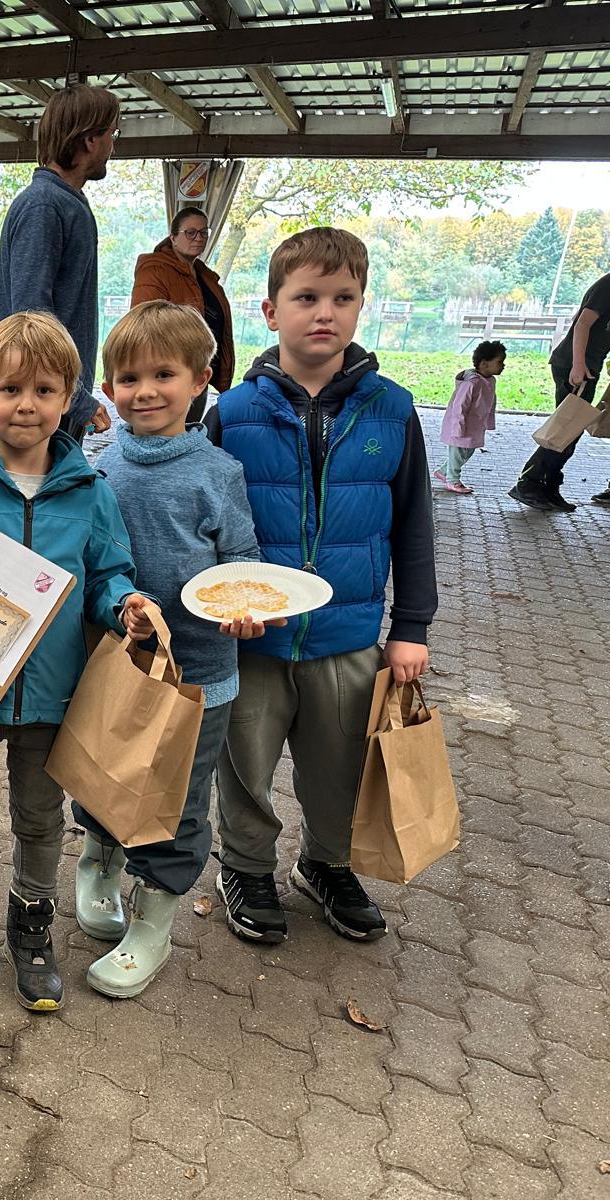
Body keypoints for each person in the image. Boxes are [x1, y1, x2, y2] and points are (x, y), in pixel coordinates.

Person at [0, 311, 152, 1012]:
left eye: (45, 390)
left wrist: (125, 605)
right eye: (10, 388)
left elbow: (108, 575)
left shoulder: (91, 493)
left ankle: (32, 934)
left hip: (52, 696)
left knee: (41, 820)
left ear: (70, 397)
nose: (26, 405)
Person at [203, 227, 437, 946]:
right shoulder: (231, 414)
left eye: (343, 297)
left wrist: (411, 627)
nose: (324, 312)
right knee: (244, 765)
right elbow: (204, 527)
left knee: (340, 768)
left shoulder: (392, 410)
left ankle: (327, 863)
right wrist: (216, 606)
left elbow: (414, 523)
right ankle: (246, 867)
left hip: (348, 636)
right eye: (306, 297)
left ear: (362, 306)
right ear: (272, 310)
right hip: (254, 640)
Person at [77, 301, 268, 999]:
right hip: (116, 664)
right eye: (128, 378)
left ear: (199, 381)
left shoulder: (218, 473)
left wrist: (245, 613)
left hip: (200, 676)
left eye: (164, 375)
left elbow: (242, 564)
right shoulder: (100, 468)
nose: (146, 391)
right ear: (108, 389)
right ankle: (98, 861)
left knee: (180, 802)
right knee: (104, 773)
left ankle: (153, 920)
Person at [0, 83, 120, 442]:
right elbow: (30, 320)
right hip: (42, 401)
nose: (113, 146)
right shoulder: (44, 206)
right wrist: (75, 399)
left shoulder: (64, 202)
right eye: (112, 135)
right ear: (90, 139)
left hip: (56, 398)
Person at [511, 271, 610, 511]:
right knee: (566, 428)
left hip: (589, 367)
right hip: (575, 366)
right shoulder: (608, 286)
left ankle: (549, 485)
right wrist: (578, 364)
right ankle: (530, 483)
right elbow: (582, 323)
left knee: (571, 430)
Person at [130, 206, 236, 423]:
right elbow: (144, 325)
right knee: (162, 434)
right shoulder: (154, 269)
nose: (198, 238)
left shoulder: (204, 275)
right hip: (167, 376)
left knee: (187, 433)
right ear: (173, 238)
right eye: (190, 233)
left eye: (203, 232)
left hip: (197, 371)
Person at [436, 340, 505, 495]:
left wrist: (489, 422)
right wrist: (457, 428)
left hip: (474, 426)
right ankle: (453, 480)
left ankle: (444, 471)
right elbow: (459, 406)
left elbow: (491, 402)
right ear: (484, 363)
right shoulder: (471, 383)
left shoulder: (490, 380)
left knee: (468, 451)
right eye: (499, 362)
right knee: (458, 453)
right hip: (460, 425)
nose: (503, 365)